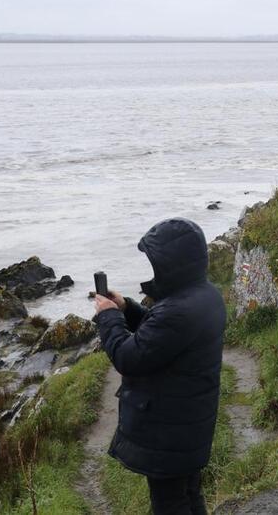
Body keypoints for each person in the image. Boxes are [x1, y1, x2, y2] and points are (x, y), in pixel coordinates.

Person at [94, 218, 226, 515]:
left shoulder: (177, 310)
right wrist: (127, 309)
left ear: (172, 264)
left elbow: (128, 358)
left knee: (170, 503)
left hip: (168, 430)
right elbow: (163, 338)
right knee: (189, 492)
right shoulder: (205, 295)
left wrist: (108, 317)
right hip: (188, 422)